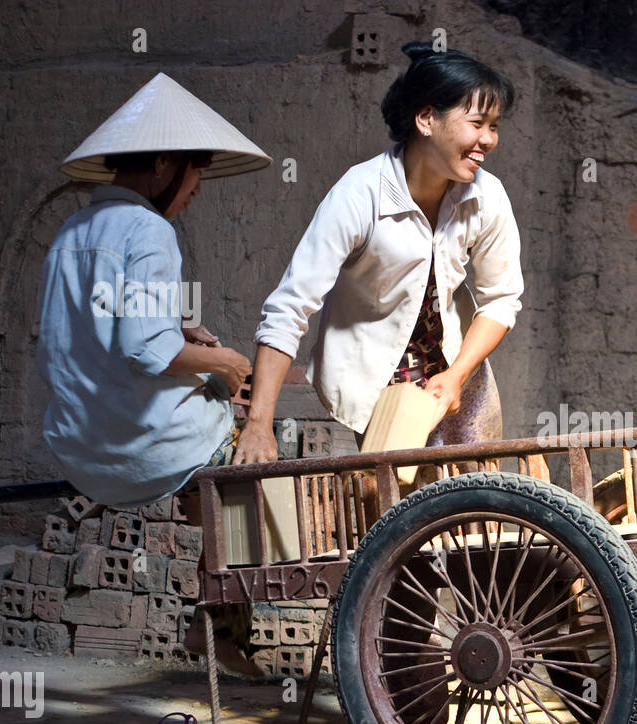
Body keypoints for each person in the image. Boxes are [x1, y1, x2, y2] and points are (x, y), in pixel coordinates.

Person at [38, 72, 271, 675]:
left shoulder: (70, 235)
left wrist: (179, 329)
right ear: (166, 163)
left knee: (214, 441)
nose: (195, 190)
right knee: (249, 463)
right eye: (194, 174)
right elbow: (145, 350)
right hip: (136, 445)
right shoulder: (150, 230)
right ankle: (220, 628)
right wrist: (226, 361)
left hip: (77, 442)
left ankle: (210, 621)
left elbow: (97, 331)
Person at [233, 43, 522, 466]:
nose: (488, 140)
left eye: (494, 126)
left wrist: (457, 374)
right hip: (380, 379)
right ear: (426, 119)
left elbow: (502, 299)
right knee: (397, 504)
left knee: (474, 496)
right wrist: (259, 424)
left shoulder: (486, 195)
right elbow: (290, 308)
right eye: (477, 123)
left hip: (459, 371)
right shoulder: (359, 195)